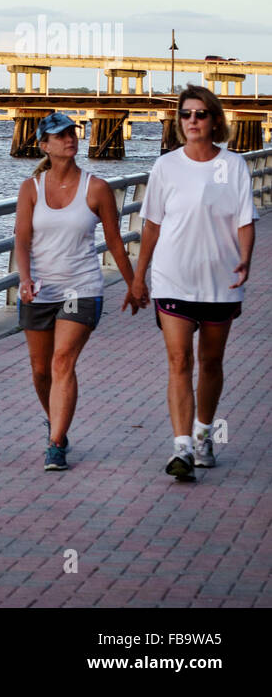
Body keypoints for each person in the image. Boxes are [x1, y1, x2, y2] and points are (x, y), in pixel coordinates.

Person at [128, 85, 256, 481]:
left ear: (214, 120)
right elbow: (152, 224)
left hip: (220, 279)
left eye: (200, 114)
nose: (193, 121)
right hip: (173, 278)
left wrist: (246, 258)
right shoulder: (166, 166)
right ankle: (181, 447)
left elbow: (245, 220)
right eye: (186, 114)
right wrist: (138, 277)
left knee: (211, 362)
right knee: (179, 361)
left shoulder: (233, 166)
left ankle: (203, 434)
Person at [14, 112, 139, 472]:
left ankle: (55, 443)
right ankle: (57, 424)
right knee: (40, 371)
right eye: (60, 134)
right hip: (39, 289)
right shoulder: (31, 189)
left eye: (73, 132)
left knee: (62, 360)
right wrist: (24, 278)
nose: (70, 138)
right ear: (44, 145)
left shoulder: (96, 188)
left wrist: (134, 284)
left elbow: (116, 243)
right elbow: (21, 240)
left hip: (81, 288)